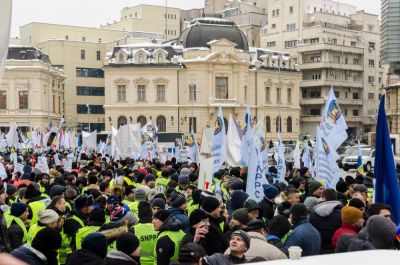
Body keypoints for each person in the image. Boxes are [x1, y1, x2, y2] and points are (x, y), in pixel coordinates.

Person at [309, 188, 342, 254]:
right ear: (335, 197)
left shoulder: (314, 213)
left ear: (323, 197)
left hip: (318, 248)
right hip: (335, 248)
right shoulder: (341, 214)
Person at [130, 201, 157, 265]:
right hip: (156, 262)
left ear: (139, 214)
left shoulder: (133, 230)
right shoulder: (158, 228)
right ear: (151, 213)